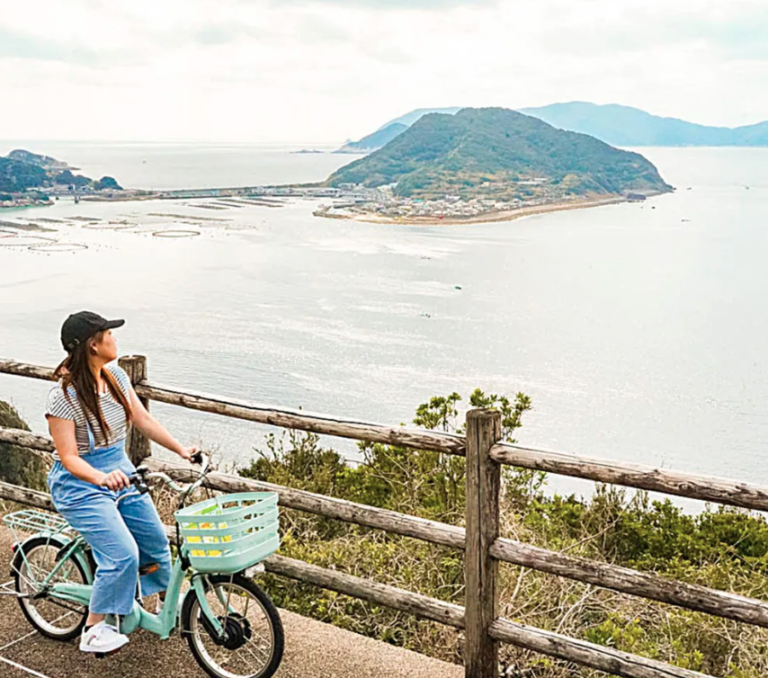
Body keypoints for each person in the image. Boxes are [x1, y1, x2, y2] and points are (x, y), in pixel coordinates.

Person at [45, 311, 196, 654]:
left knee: (155, 541)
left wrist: (180, 450)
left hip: (120, 472)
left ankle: (148, 604)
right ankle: (94, 628)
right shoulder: (63, 398)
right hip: (80, 484)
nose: (114, 339)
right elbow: (69, 457)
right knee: (122, 553)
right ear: (92, 346)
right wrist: (101, 477)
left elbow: (142, 418)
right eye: (107, 335)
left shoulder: (114, 376)